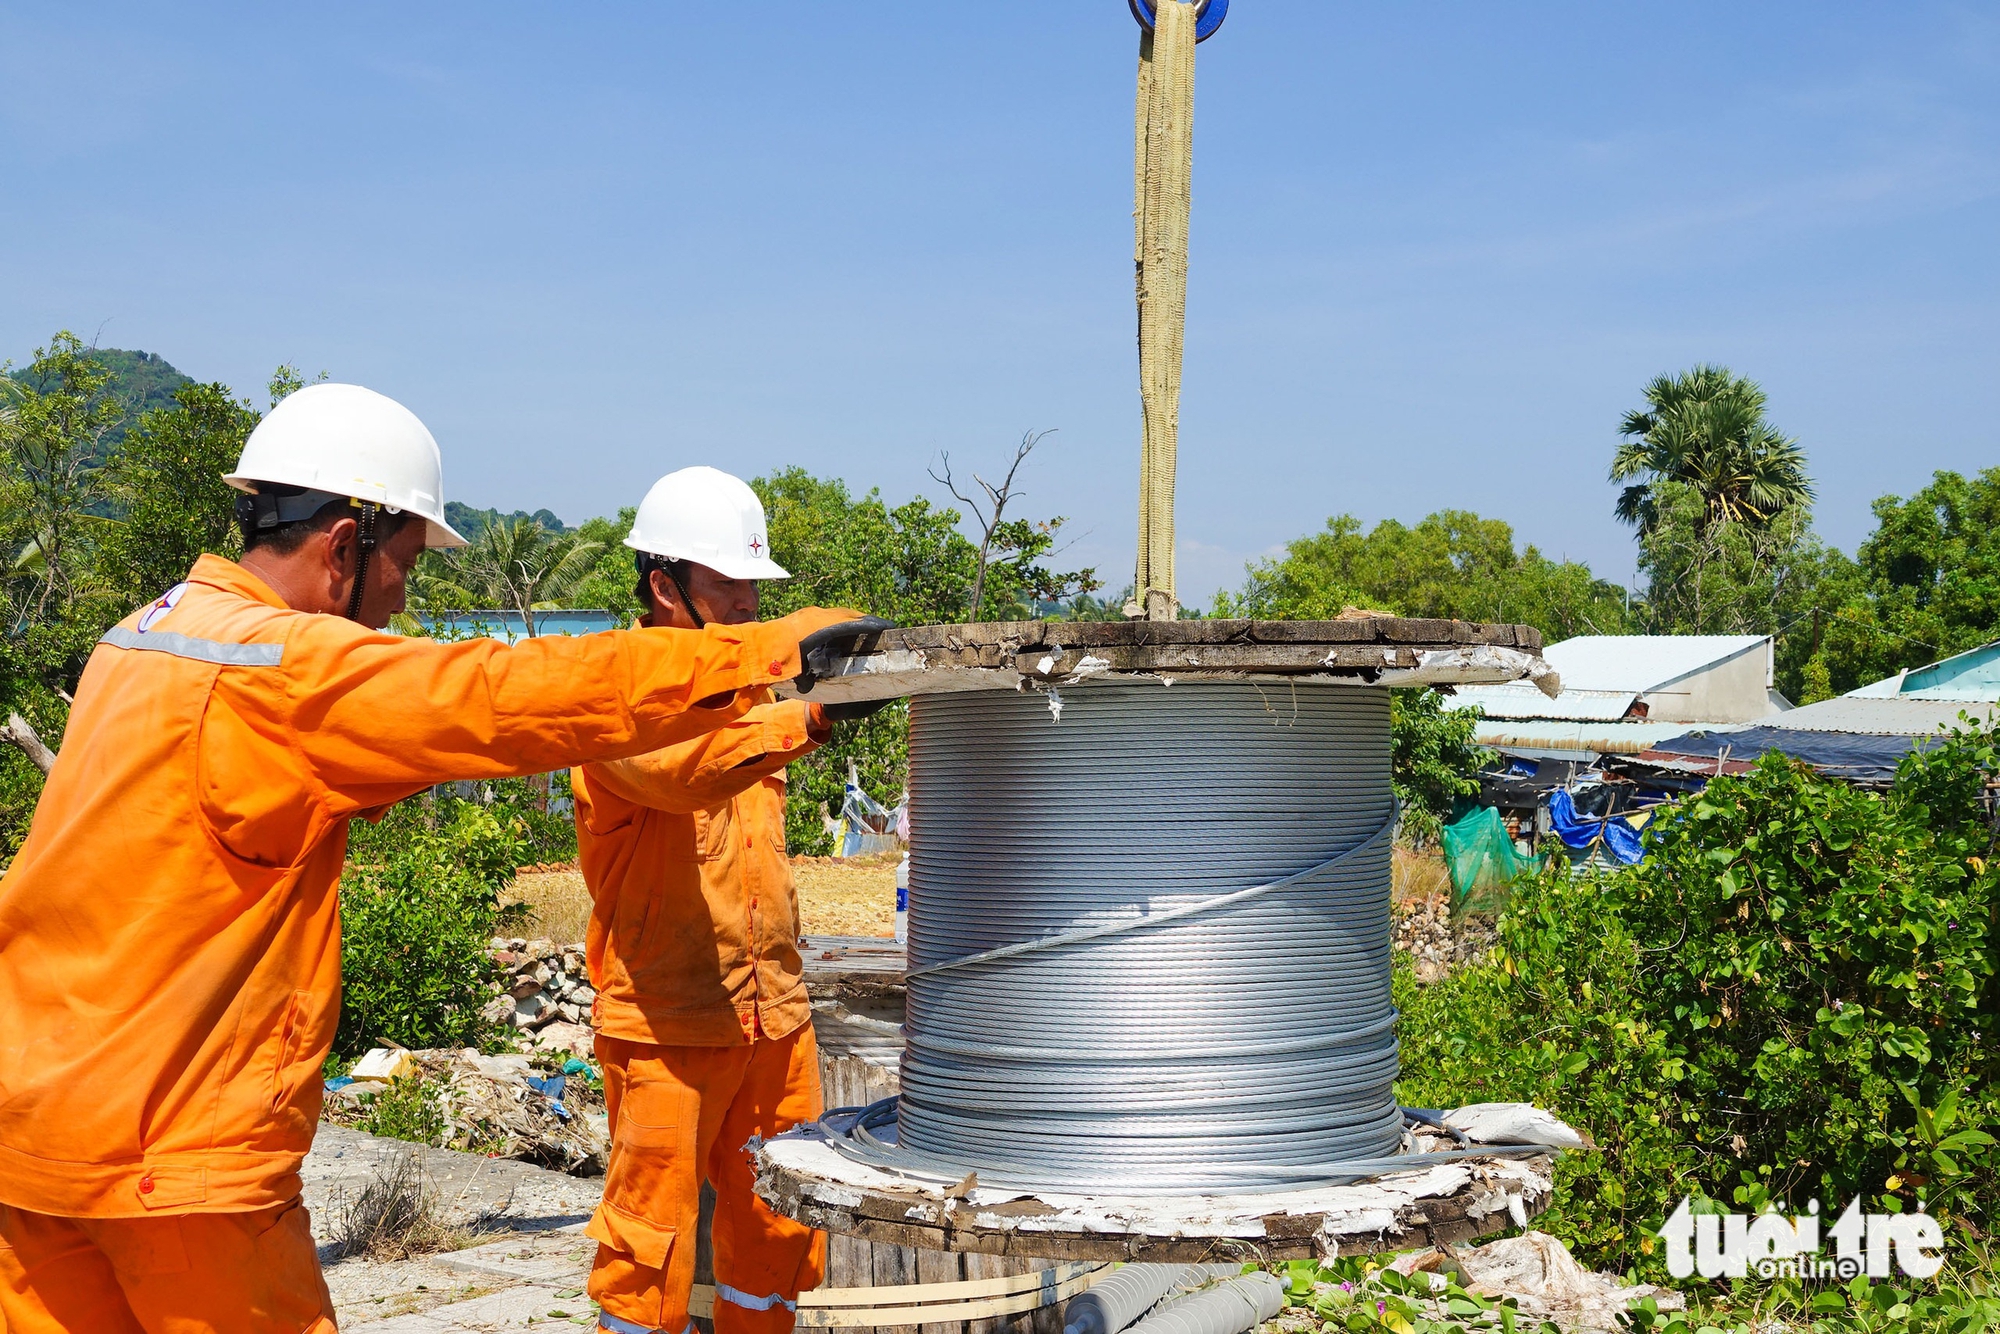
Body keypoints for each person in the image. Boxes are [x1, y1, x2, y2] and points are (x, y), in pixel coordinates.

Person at [0, 388, 867, 1333]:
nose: (403, 597)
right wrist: (770, 651)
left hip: (31, 1145)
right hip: (172, 1168)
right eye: (406, 564)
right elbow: (496, 695)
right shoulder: (280, 668)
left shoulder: (140, 640)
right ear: (344, 547)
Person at [572, 467, 889, 1334]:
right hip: (667, 1024)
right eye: (730, 583)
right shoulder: (614, 698)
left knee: (778, 1227)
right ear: (666, 586)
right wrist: (812, 716)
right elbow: (685, 772)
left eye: (757, 585)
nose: (749, 602)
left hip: (773, 1020)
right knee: (649, 1249)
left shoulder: (754, 695)